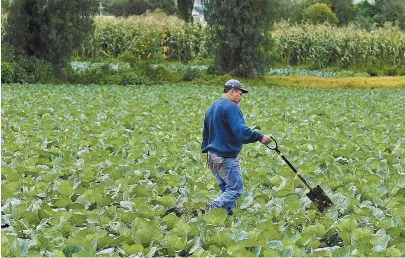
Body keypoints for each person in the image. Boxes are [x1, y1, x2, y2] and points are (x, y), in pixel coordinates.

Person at [201, 79, 272, 215]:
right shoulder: (231, 107)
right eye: (240, 94)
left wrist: (207, 149)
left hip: (212, 157)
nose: (241, 98)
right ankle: (211, 209)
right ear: (232, 91)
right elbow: (241, 132)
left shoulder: (212, 107)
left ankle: (228, 219)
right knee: (235, 190)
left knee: (227, 192)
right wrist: (260, 137)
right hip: (225, 158)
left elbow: (206, 133)